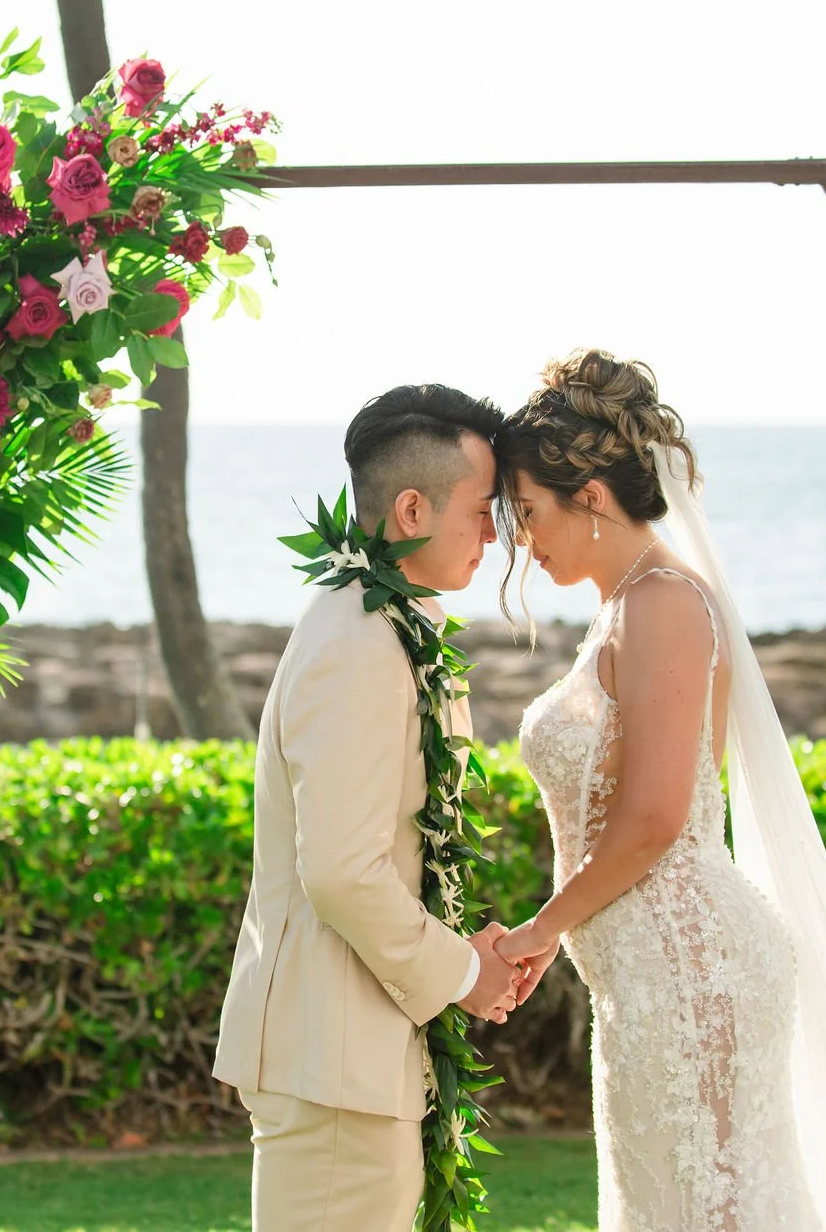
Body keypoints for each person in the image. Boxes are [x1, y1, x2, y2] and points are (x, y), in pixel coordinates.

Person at [492, 349, 826, 1231]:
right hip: (645, 973)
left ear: (591, 495)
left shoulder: (664, 602)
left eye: (528, 511)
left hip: (692, 966)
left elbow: (657, 818)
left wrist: (540, 930)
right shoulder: (623, 606)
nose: (524, 538)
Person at [213, 384, 525, 1232]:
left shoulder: (384, 625)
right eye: (482, 508)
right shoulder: (357, 643)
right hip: (333, 1062)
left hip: (357, 1051)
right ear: (413, 506)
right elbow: (342, 872)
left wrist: (463, 949)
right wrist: (464, 973)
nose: (492, 532)